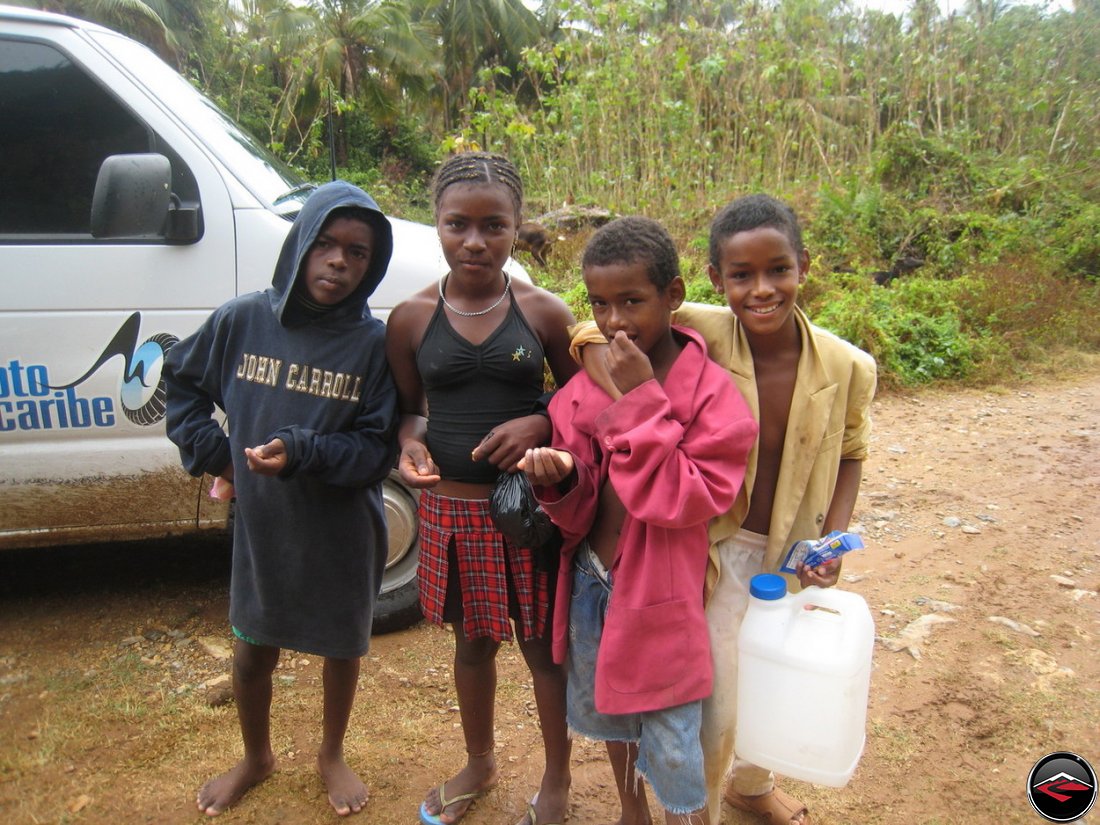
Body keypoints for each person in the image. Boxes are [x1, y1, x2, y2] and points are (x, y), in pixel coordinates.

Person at [572, 195, 877, 825]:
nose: (761, 290)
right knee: (717, 696)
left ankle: (753, 784)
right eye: (742, 276)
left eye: (779, 270)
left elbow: (851, 451)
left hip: (792, 544)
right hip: (713, 542)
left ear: (804, 267)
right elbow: (587, 333)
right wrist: (634, 388)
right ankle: (703, 807)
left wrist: (835, 537)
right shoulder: (703, 328)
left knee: (777, 670)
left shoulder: (849, 366)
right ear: (716, 281)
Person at [163, 181, 399, 818]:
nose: (339, 262)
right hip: (264, 523)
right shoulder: (243, 319)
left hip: (343, 525)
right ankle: (257, 755)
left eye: (357, 252)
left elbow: (376, 450)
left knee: (341, 646)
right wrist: (218, 453)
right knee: (251, 648)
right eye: (325, 243)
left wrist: (303, 452)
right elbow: (181, 382)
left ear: (371, 264)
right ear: (299, 243)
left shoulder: (373, 346)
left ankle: (330, 752)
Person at [522, 216, 758, 825]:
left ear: (673, 297)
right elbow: (581, 504)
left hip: (661, 591)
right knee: (609, 710)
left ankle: (687, 818)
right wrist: (561, 478)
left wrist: (641, 401)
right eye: (599, 304)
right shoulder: (583, 388)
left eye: (632, 301)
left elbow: (685, 498)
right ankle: (632, 812)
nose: (615, 321)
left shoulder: (712, 396)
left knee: (674, 729)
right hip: (593, 580)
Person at [384, 152, 578, 825]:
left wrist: (539, 418)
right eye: (457, 224)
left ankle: (557, 777)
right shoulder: (409, 318)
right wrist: (409, 444)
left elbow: (583, 403)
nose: (475, 240)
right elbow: (410, 410)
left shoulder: (544, 312)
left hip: (523, 512)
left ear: (518, 227)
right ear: (435, 225)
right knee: (471, 643)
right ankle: (480, 761)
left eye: (494, 225)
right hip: (450, 513)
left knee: (542, 648)